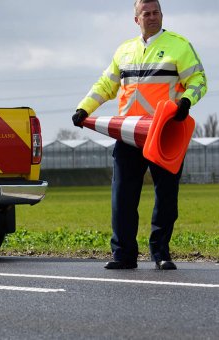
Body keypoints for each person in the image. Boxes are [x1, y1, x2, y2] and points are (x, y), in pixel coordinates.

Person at [72, 0, 207, 270]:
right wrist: (83, 108)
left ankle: (161, 253)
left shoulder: (179, 45)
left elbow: (199, 80)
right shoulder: (124, 50)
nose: (152, 17)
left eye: (156, 12)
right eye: (146, 13)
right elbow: (106, 85)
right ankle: (123, 255)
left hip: (163, 134)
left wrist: (186, 103)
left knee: (166, 197)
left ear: (162, 15)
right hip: (128, 134)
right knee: (122, 196)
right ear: (137, 19)